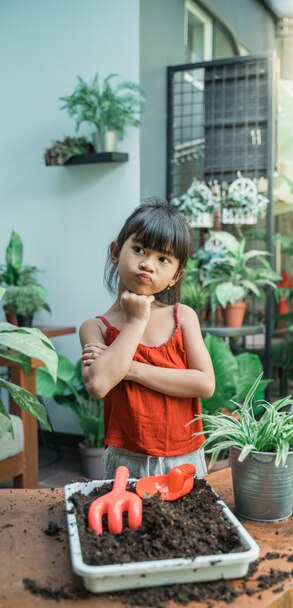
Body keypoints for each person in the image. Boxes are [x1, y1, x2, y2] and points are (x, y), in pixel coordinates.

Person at [79, 199, 215, 479]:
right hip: (125, 461)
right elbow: (99, 383)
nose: (147, 265)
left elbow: (204, 383)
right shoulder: (96, 327)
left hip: (185, 458)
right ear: (116, 252)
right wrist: (136, 321)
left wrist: (129, 370)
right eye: (139, 249)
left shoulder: (183, 317)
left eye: (163, 259)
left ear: (176, 275)